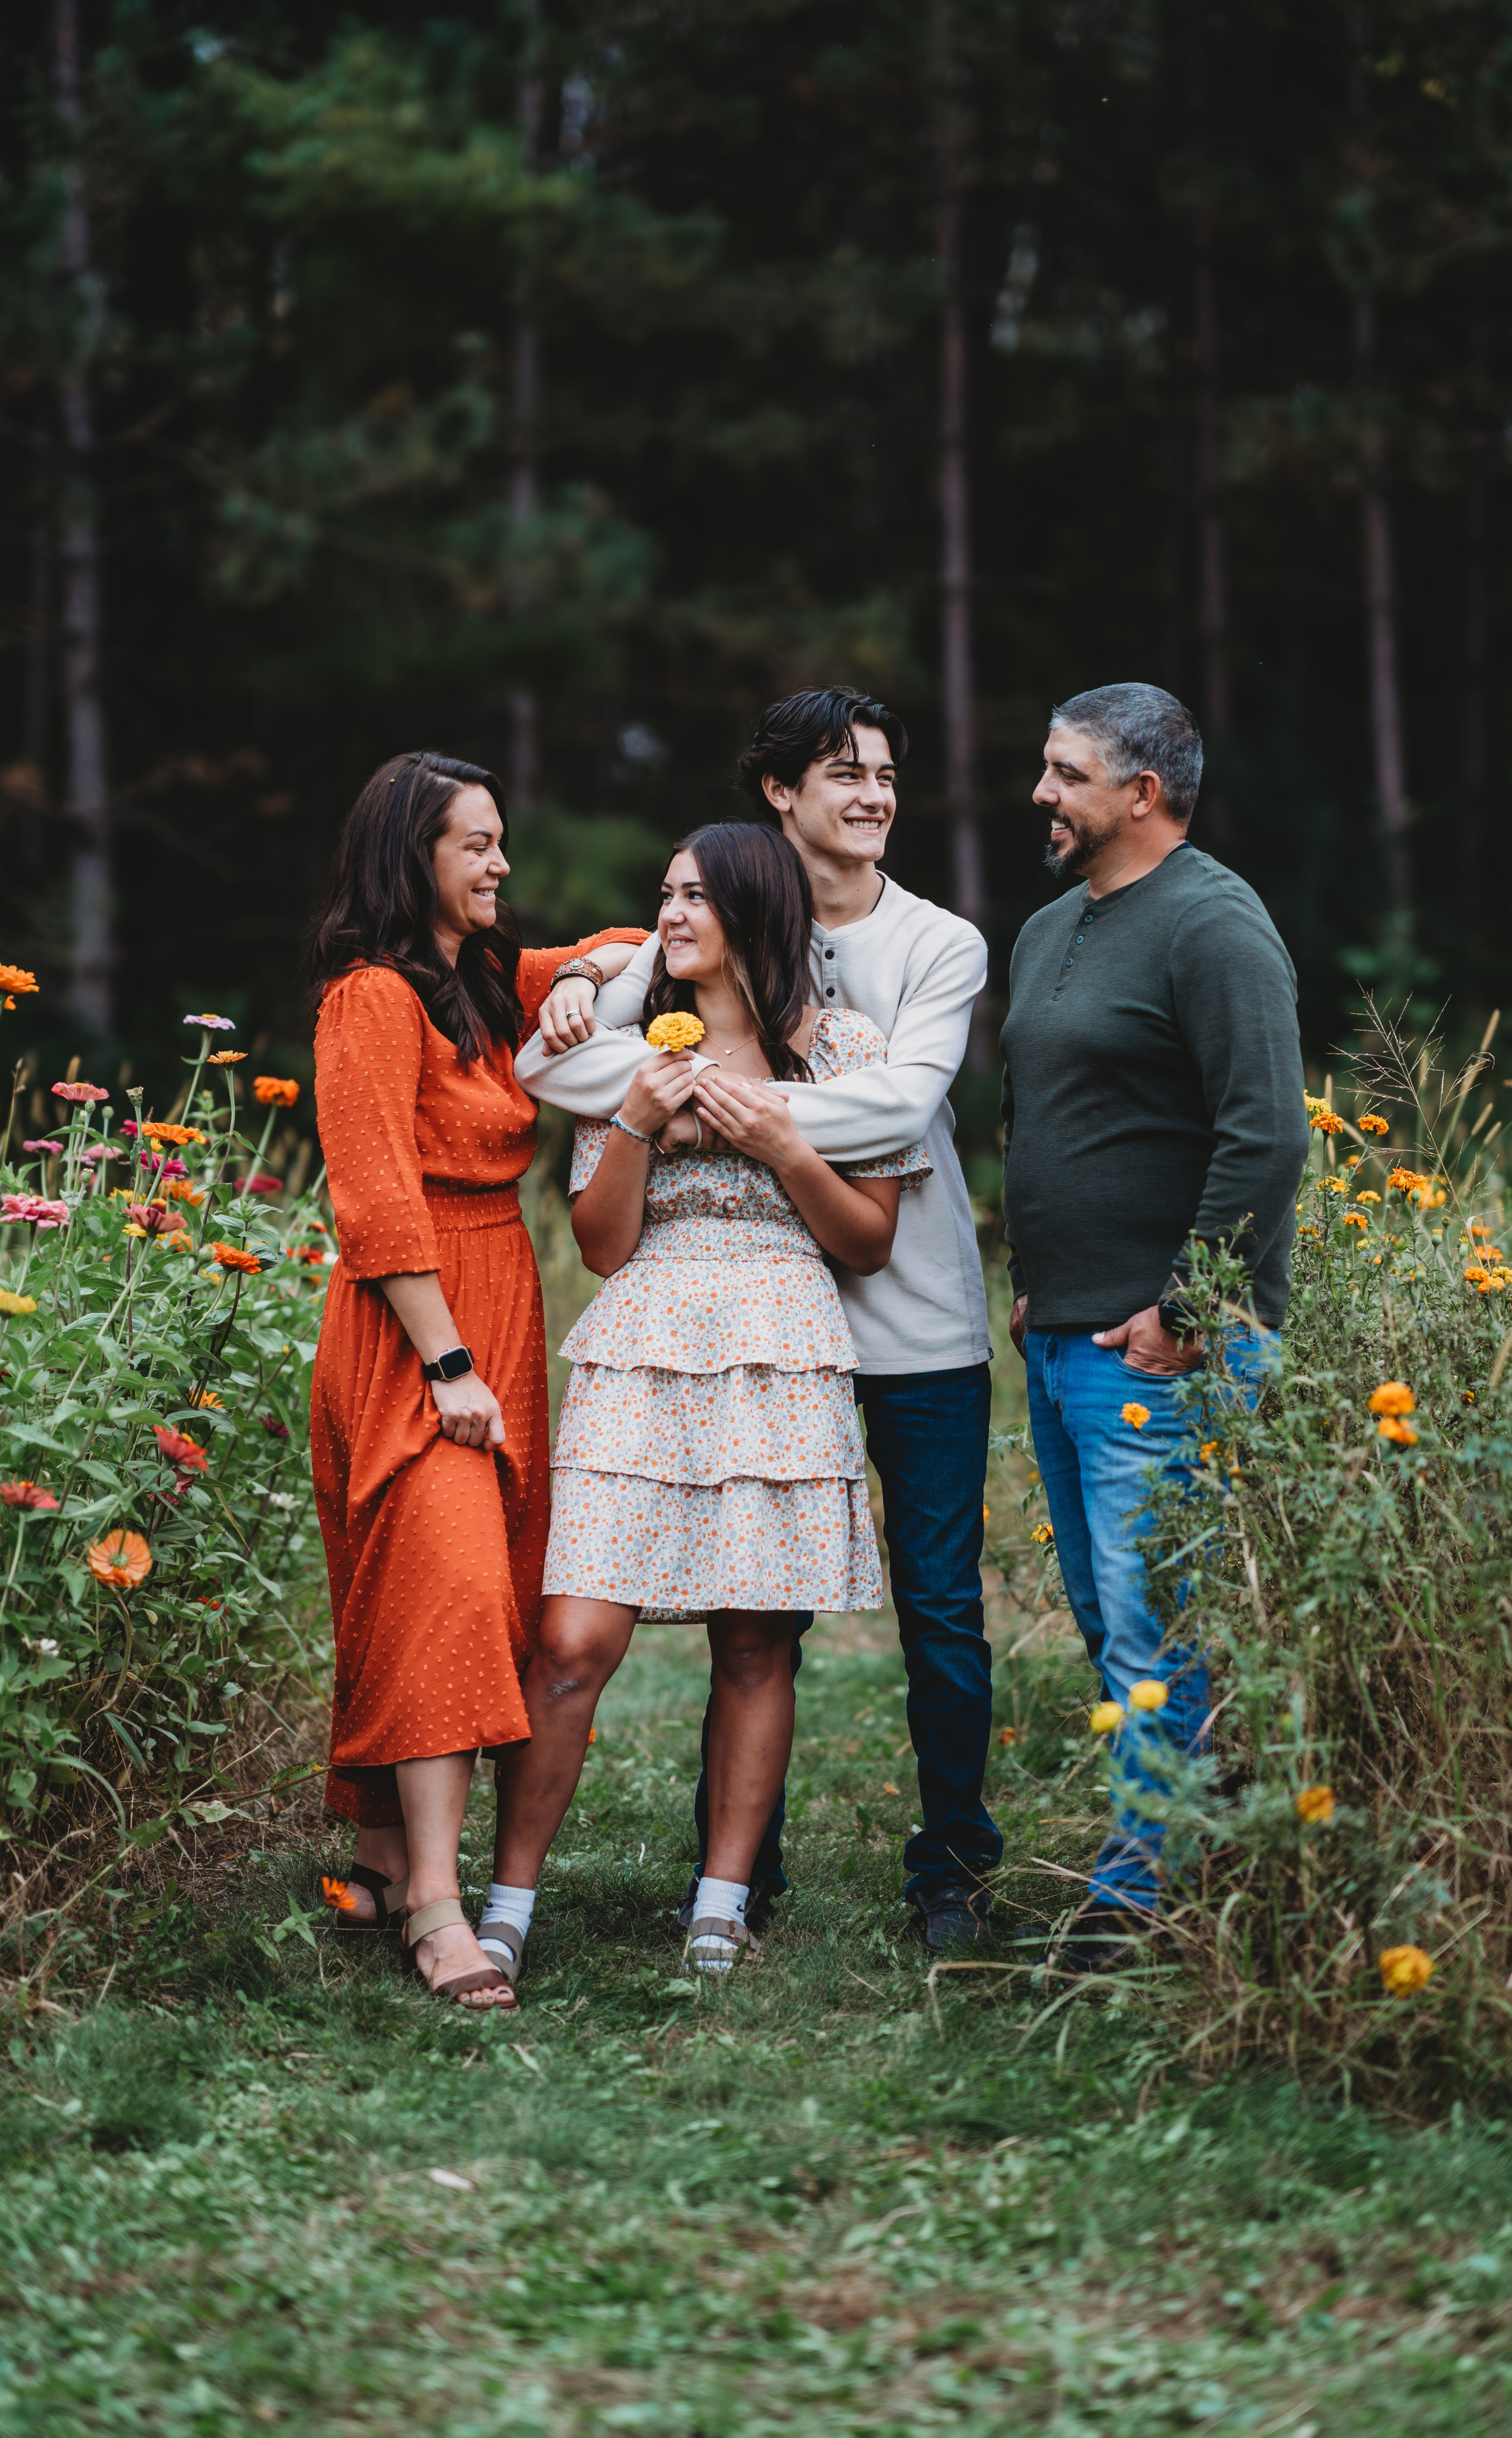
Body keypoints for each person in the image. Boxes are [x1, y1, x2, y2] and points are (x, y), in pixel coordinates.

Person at [521, 689, 1000, 1954]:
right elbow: (580, 1050)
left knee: (936, 1608)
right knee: (756, 1613)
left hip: (904, 1316)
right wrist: (588, 979)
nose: (877, 795)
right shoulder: (707, 917)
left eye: (888, 774)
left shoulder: (935, 945)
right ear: (778, 799)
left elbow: (895, 1110)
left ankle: (948, 1869)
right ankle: (738, 1879)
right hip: (708, 1320)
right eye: (846, 772)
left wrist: (732, 1114)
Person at [481, 822, 927, 1981]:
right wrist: (634, 1117)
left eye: (695, 899)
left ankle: (721, 1904)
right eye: (663, 893)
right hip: (645, 1338)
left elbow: (870, 1244)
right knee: (573, 1641)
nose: (669, 916)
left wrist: (783, 1143)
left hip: (782, 1342)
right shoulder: (623, 1049)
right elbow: (602, 1245)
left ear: (758, 912)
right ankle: (509, 1903)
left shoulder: (847, 1053)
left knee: (755, 1642)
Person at [308, 750, 643, 2008]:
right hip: (417, 1320)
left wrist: (578, 994)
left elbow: (626, 947)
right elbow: (374, 1193)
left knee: (471, 1585)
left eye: (500, 841)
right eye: (476, 844)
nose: (500, 863)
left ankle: (388, 1853)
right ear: (414, 858)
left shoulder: (487, 979)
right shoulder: (371, 997)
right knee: (439, 1585)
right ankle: (440, 1916)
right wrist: (445, 1359)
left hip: (502, 1289)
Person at [1000, 683, 1307, 1966]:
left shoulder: (1213, 924)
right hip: (1063, 1340)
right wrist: (1042, 1284)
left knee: (1159, 1625)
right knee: (1107, 1617)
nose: (1040, 794)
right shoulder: (1045, 929)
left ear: (1142, 792)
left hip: (1166, 1354)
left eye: (1066, 774)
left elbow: (1267, 1133)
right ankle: (1190, 1855)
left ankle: (1144, 1902)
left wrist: (1184, 1307)